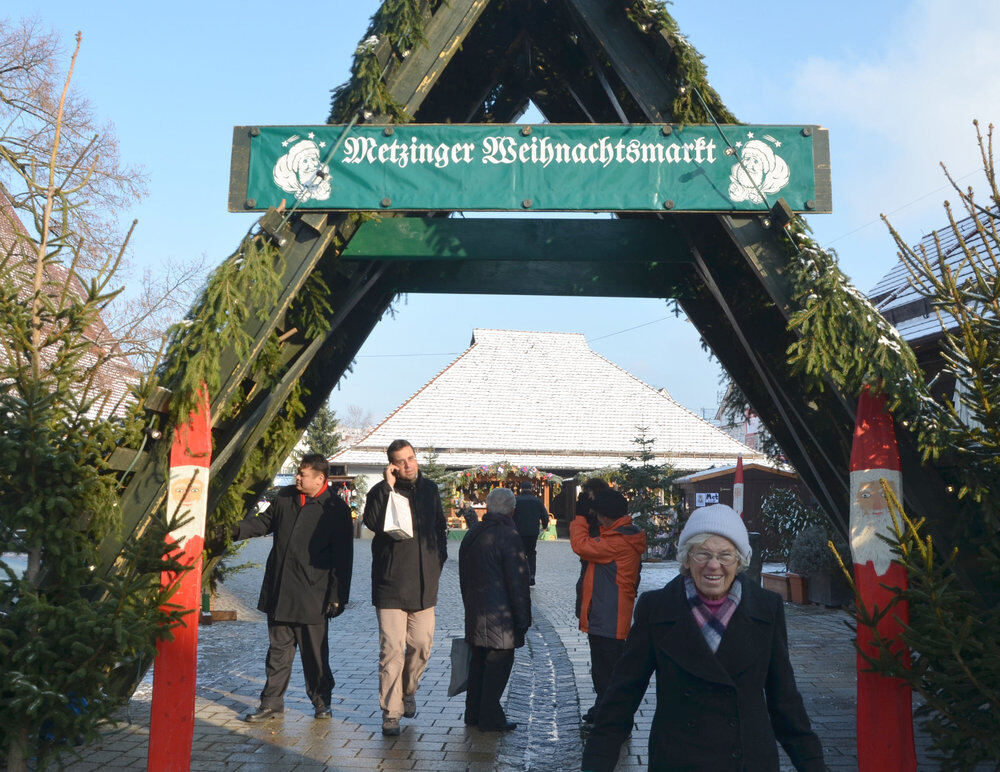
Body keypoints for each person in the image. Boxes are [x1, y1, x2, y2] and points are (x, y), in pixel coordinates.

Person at [582, 504, 825, 771]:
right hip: (678, 759)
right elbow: (622, 697)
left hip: (748, 759)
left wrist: (813, 765)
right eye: (703, 554)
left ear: (739, 560)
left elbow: (784, 699)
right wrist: (596, 763)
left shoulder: (766, 608)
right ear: (687, 558)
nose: (713, 565)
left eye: (725, 555)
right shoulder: (658, 608)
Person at [231, 454, 354, 722]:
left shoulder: (335, 508)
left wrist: (337, 596)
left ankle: (322, 702)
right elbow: (263, 524)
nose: (297, 477)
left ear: (320, 478)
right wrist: (233, 531)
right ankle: (271, 704)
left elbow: (343, 558)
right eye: (298, 473)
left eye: (303, 474)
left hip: (314, 595)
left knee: (315, 655)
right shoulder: (285, 497)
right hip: (280, 590)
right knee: (277, 652)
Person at [362, 439, 448, 736]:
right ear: (391, 465)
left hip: (424, 584)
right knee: (392, 651)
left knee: (422, 645)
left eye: (410, 458)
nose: (408, 464)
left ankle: (408, 690)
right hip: (390, 584)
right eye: (400, 461)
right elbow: (371, 523)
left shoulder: (430, 490)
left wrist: (438, 563)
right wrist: (387, 487)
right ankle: (391, 712)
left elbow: (439, 528)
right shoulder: (380, 491)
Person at [569, 489, 646, 730]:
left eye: (599, 515)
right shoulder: (621, 534)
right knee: (605, 671)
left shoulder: (617, 542)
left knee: (608, 673)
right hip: (607, 614)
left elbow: (581, 546)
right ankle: (604, 711)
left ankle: (613, 723)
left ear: (605, 517)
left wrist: (580, 518)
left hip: (610, 618)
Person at [458, 487, 531, 732]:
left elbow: (463, 576)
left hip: (476, 612)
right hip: (502, 616)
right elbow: (518, 582)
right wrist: (523, 620)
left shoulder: (474, 533)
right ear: (512, 510)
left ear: (488, 507)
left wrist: (469, 604)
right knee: (497, 668)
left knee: (478, 665)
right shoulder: (509, 536)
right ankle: (490, 717)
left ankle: (474, 713)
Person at [512, 482, 549, 585]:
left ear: (521, 489)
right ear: (531, 489)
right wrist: (545, 526)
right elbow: (545, 516)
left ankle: (520, 575)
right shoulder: (537, 501)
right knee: (531, 553)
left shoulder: (516, 501)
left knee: (520, 553)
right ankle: (531, 575)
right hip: (533, 532)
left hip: (518, 532)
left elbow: (510, 515)